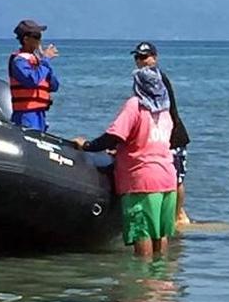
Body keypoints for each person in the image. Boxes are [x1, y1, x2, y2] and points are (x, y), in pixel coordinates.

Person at [75, 66, 177, 258]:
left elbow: (113, 136)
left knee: (142, 233)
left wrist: (87, 145)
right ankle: (161, 279)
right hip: (167, 179)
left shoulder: (136, 105)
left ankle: (142, 281)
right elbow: (150, 141)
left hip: (142, 180)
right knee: (160, 234)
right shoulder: (165, 112)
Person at [131, 41, 192, 226]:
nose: (140, 61)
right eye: (137, 57)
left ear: (154, 58)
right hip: (159, 135)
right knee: (168, 177)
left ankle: (179, 214)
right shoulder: (145, 79)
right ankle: (172, 213)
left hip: (173, 135)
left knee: (176, 178)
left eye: (144, 57)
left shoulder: (157, 79)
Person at [8, 18, 59, 131]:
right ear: (26, 39)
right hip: (26, 115)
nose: (39, 41)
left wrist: (44, 62)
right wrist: (45, 60)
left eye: (40, 37)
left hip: (39, 113)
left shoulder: (38, 61)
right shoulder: (19, 61)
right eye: (36, 37)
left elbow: (54, 86)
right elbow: (32, 80)